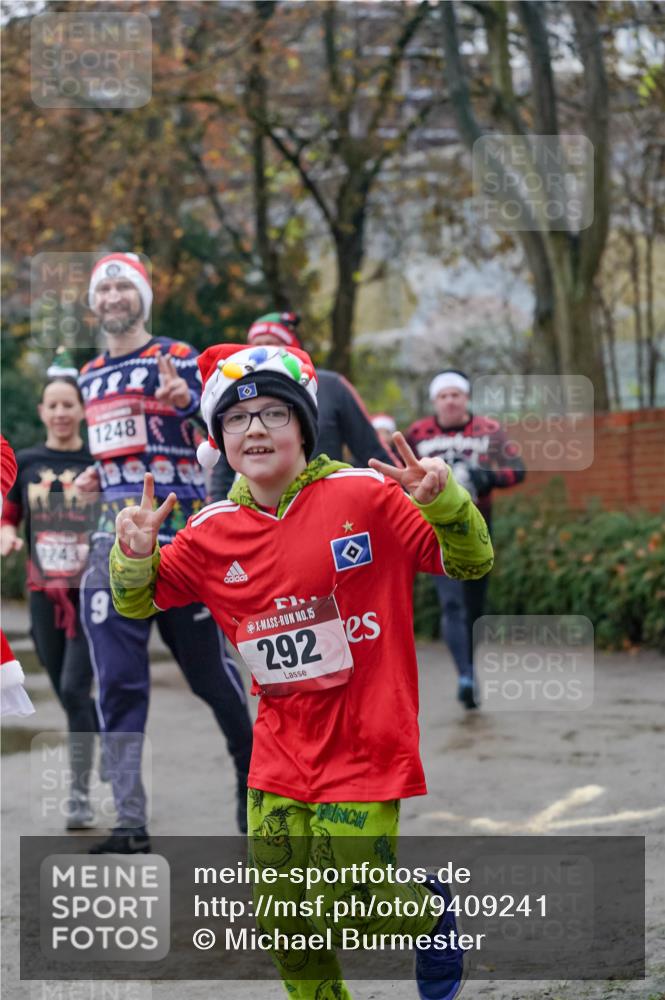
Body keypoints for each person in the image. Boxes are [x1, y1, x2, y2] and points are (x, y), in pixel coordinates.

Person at [109, 341, 493, 1000]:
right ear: (218, 437)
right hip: (281, 750)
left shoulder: (367, 494)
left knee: (357, 905)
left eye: (272, 414)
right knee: (283, 917)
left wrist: (446, 503)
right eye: (236, 418)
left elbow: (469, 562)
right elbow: (136, 600)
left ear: (303, 425)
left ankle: (427, 915)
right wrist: (134, 553)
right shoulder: (208, 531)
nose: (254, 428)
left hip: (367, 740)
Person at [75, 252, 253, 852]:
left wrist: (185, 405)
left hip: (180, 545)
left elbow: (233, 438)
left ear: (142, 297)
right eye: (104, 288)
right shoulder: (88, 375)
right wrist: (94, 479)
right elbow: (113, 454)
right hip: (112, 545)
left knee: (212, 679)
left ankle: (254, 783)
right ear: (95, 303)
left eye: (124, 285)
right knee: (118, 686)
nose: (113, 295)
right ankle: (130, 824)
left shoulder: (180, 359)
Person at [1, 367, 99, 823]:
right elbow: (9, 514)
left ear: (82, 410)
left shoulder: (98, 460)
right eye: (53, 405)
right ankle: (93, 733)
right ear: (42, 412)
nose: (61, 412)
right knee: (66, 690)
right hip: (43, 596)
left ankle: (79, 795)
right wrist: (7, 535)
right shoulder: (27, 461)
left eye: (68, 404)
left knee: (77, 689)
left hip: (91, 594)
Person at [406, 369, 525, 709]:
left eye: (456, 394)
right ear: (435, 401)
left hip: (479, 530)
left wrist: (485, 477)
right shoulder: (418, 433)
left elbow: (517, 469)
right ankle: (465, 675)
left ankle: (470, 666)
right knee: (452, 603)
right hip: (433, 532)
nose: (450, 400)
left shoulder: (488, 431)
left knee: (473, 606)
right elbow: (395, 472)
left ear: (466, 398)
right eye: (443, 395)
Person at [210, 311, 394, 501]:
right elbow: (226, 459)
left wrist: (410, 492)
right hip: (260, 512)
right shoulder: (241, 393)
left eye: (271, 344)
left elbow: (372, 449)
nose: (263, 353)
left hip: (328, 508)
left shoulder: (332, 386)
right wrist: (216, 511)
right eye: (255, 347)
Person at [0, 434, 35, 719]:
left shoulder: (90, 460)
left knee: (74, 687)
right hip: (42, 586)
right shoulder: (30, 460)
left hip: (80, 583)